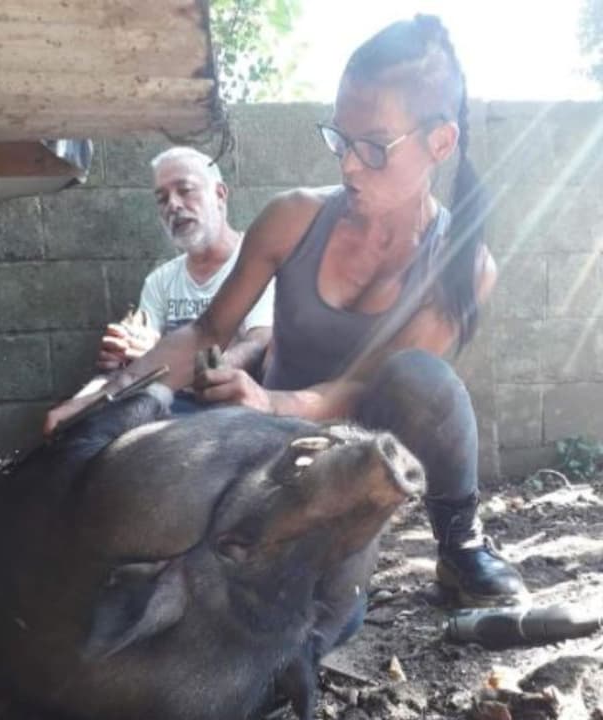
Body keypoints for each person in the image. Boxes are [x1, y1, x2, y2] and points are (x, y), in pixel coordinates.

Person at [45, 14, 527, 606]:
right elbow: (205, 332)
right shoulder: (293, 217)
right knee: (135, 473)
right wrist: (101, 399)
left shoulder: (464, 267)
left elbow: (367, 385)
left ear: (440, 142)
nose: (348, 164)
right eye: (340, 139)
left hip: (358, 451)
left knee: (427, 381)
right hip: (259, 434)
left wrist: (270, 399)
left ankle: (461, 547)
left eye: (373, 146)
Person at [97, 147, 274, 383]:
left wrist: (166, 361)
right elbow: (144, 344)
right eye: (162, 198)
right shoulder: (160, 281)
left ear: (220, 195)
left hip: (235, 406)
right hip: (170, 401)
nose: (173, 205)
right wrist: (122, 355)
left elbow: (258, 343)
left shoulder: (255, 262)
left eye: (185, 190)